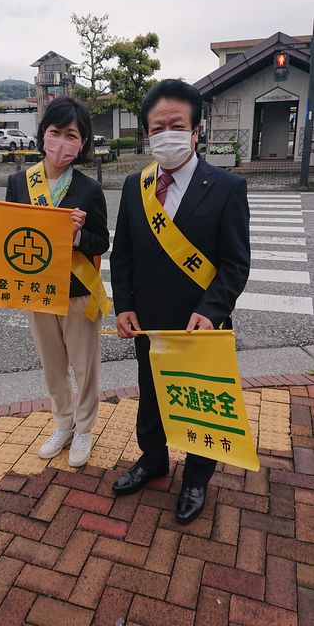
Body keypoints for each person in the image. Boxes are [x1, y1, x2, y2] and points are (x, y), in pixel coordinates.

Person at [110, 79, 250, 523]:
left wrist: (211, 312)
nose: (165, 134)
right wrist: (123, 305)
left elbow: (235, 264)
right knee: (150, 395)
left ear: (196, 130)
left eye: (176, 125)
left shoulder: (227, 187)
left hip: (200, 325)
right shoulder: (135, 185)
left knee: (199, 402)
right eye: (157, 127)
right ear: (147, 133)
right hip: (149, 322)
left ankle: (195, 480)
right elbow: (124, 253)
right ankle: (152, 461)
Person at [0, 97, 109, 467]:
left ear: (82, 143)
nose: (62, 141)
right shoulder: (18, 182)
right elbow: (8, 234)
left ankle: (85, 428)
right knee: (52, 366)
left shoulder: (89, 190)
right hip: (36, 291)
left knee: (85, 367)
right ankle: (63, 424)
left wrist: (76, 236)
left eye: (72, 135)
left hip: (77, 293)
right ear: (42, 135)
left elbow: (101, 241)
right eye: (56, 132)